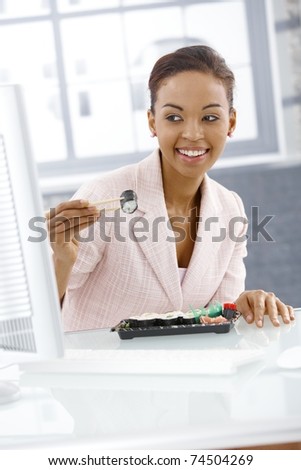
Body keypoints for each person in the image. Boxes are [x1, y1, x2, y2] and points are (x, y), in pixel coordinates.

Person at [47, 45, 295, 331]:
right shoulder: (105, 197)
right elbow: (39, 320)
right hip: (94, 372)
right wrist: (61, 261)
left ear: (231, 122)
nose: (192, 134)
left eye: (210, 117)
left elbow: (219, 319)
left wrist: (244, 305)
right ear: (153, 122)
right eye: (174, 117)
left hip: (183, 373)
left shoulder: (230, 209)